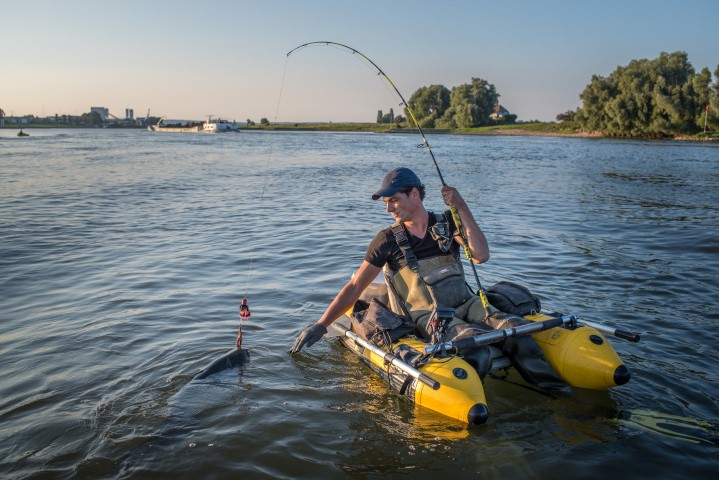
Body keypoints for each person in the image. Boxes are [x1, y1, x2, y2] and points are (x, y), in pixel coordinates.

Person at [290, 167, 569, 393]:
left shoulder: (447, 222)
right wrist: (321, 325)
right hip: (429, 316)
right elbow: (355, 287)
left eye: (393, 200)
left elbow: (481, 255)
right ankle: (480, 422)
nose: (389, 209)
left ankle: (559, 396)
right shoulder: (386, 240)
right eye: (386, 203)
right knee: (476, 347)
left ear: (414, 194)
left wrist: (461, 207)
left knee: (517, 332)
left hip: (469, 303)